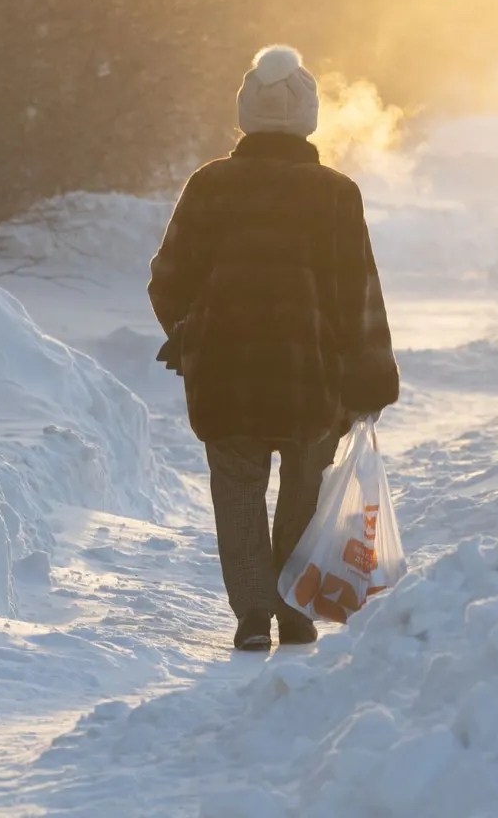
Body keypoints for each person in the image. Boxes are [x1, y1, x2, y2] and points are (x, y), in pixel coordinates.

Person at [148, 45, 400, 652]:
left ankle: (252, 616)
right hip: (310, 375)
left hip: (225, 371)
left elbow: (167, 275)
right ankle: (293, 609)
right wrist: (368, 376)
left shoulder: (209, 185)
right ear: (307, 117)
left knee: (235, 488)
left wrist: (190, 330)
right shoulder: (335, 193)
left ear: (245, 114)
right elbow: (356, 294)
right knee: (305, 487)